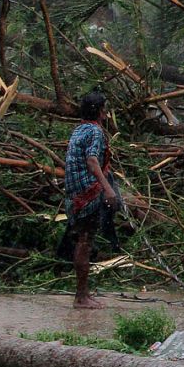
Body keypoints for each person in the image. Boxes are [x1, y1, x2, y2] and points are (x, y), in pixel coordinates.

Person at [59, 90, 120, 308]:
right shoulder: (95, 132)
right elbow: (93, 161)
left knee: (83, 240)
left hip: (75, 195)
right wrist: (108, 189)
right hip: (88, 195)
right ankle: (81, 297)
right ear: (101, 112)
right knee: (85, 241)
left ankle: (82, 294)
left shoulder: (79, 130)